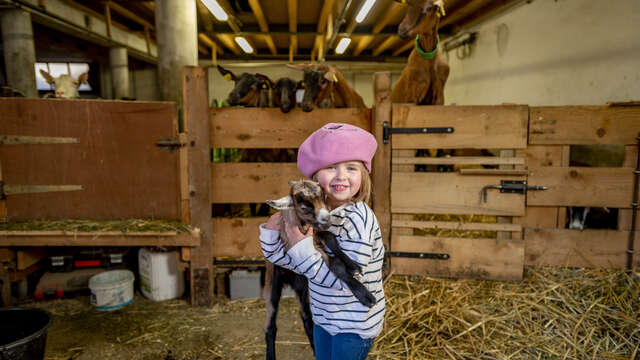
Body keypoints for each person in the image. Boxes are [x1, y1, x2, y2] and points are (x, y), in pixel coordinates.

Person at [260, 123, 386, 360]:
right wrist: (271, 230)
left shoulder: (360, 220)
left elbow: (343, 281)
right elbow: (290, 262)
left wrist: (300, 243)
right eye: (330, 167)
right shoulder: (317, 215)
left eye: (351, 168)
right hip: (324, 319)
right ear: (316, 178)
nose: (341, 176)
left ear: (364, 175)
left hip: (354, 326)